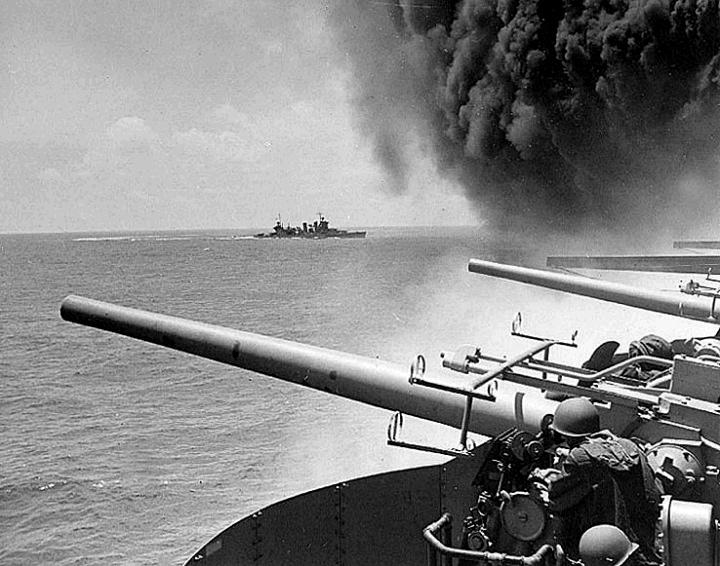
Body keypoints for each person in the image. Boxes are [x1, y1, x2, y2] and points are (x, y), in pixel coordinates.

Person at [547, 398, 662, 564]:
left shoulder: (580, 457)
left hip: (606, 541)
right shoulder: (628, 445)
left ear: (566, 434)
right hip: (642, 536)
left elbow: (557, 500)